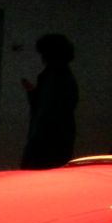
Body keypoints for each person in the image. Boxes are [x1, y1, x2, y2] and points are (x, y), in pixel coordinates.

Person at [21, 33, 78, 169]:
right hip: (56, 140)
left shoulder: (57, 78)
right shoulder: (58, 76)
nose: (42, 57)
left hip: (49, 142)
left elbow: (47, 113)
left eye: (44, 53)